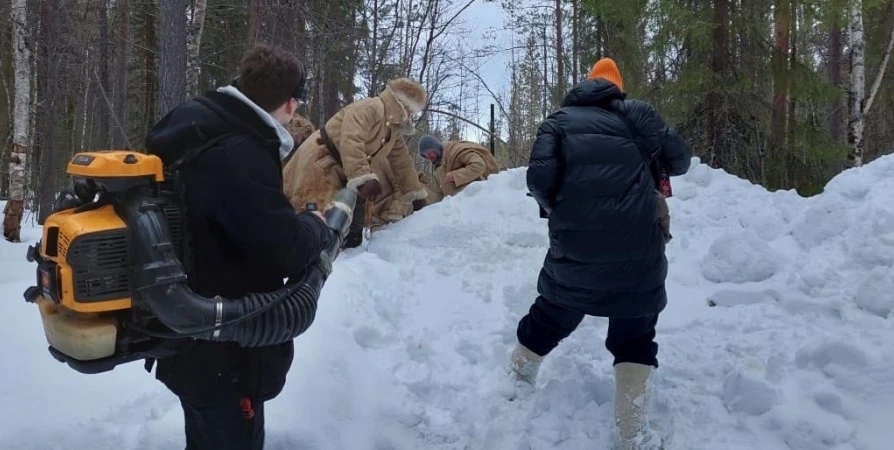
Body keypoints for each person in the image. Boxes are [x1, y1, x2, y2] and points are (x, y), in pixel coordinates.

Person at [143, 44, 334, 450]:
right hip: (226, 351)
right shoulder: (238, 154)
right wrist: (313, 225)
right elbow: (285, 249)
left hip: (191, 338)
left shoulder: (200, 127)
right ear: (289, 103)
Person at [508, 57, 691, 450]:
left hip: (575, 242)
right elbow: (680, 161)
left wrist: (564, 210)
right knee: (636, 331)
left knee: (555, 308)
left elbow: (537, 181)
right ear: (616, 88)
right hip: (638, 245)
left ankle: (515, 384)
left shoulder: (558, 121)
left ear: (587, 86)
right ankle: (632, 433)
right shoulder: (638, 114)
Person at [282, 77, 429, 248]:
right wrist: (363, 177)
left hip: (344, 170)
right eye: (411, 111)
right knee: (309, 213)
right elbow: (351, 139)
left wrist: (415, 194)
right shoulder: (370, 108)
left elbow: (402, 162)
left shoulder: (392, 131)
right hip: (321, 160)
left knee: (345, 226)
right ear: (403, 106)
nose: (411, 116)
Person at [415, 136, 499, 207]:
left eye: (430, 153)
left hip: (477, 200)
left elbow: (479, 165)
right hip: (457, 207)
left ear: (436, 148)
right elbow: (437, 194)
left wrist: (455, 176)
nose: (428, 157)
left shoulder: (456, 152)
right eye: (425, 155)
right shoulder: (437, 165)